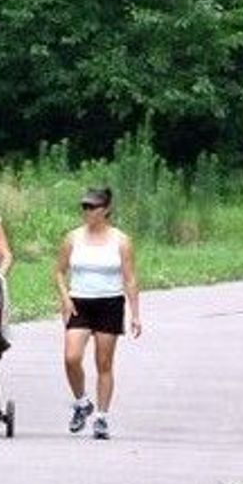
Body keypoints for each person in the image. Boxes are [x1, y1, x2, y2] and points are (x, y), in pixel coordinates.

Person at [54, 186, 141, 440]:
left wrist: (135, 314)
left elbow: (130, 278)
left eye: (92, 207)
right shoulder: (73, 238)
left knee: (103, 363)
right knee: (71, 357)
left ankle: (102, 418)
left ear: (106, 210)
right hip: (79, 301)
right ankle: (82, 403)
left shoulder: (121, 240)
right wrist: (65, 297)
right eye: (85, 207)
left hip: (109, 303)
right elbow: (59, 271)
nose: (87, 212)